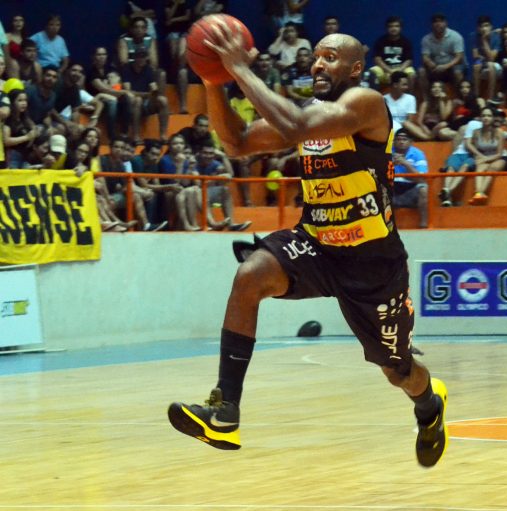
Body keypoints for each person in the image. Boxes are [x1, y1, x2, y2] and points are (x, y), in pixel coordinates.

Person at [166, 26, 448, 468]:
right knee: (250, 275)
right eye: (316, 56)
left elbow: (296, 125)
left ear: (355, 68)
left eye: (330, 58)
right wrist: (214, 81)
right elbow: (237, 143)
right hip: (317, 241)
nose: (318, 63)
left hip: (373, 262)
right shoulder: (307, 114)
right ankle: (225, 411)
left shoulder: (365, 103)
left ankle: (429, 405)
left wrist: (239, 69)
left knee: (398, 372)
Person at [418, 13, 465, 100]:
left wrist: (446, 66)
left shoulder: (456, 36)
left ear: (446, 23)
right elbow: (425, 57)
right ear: (432, 25)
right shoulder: (426, 39)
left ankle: (458, 99)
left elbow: (459, 57)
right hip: (435, 68)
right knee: (421, 71)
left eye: (441, 21)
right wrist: (432, 65)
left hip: (451, 68)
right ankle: (426, 100)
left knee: (458, 72)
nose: (438, 24)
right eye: (435, 22)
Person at [391, 128, 428, 228]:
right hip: (392, 188)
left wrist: (406, 164)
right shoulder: (386, 153)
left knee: (423, 189)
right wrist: (391, 165)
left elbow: (421, 179)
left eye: (404, 139)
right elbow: (378, 175)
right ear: (393, 141)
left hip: (410, 189)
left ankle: (424, 224)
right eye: (398, 139)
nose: (401, 142)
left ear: (411, 142)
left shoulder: (418, 154)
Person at [369, 16, 416, 90]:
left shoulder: (406, 42)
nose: (394, 28)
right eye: (391, 26)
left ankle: (409, 95)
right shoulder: (380, 41)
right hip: (384, 70)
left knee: (411, 73)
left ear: (400, 28)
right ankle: (375, 95)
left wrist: (399, 71)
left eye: (396, 26)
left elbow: (409, 60)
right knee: (372, 72)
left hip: (401, 69)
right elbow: (377, 59)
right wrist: (389, 71)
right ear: (387, 28)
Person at [470, 16, 501, 102]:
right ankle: (476, 96)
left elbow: (492, 58)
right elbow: (475, 55)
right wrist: (482, 58)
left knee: (490, 65)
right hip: (482, 62)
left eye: (486, 26)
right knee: (476, 66)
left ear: (491, 27)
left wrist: (484, 40)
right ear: (478, 28)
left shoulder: (496, 36)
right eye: (481, 26)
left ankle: (490, 97)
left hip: (497, 64)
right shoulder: (474, 36)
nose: (484, 29)